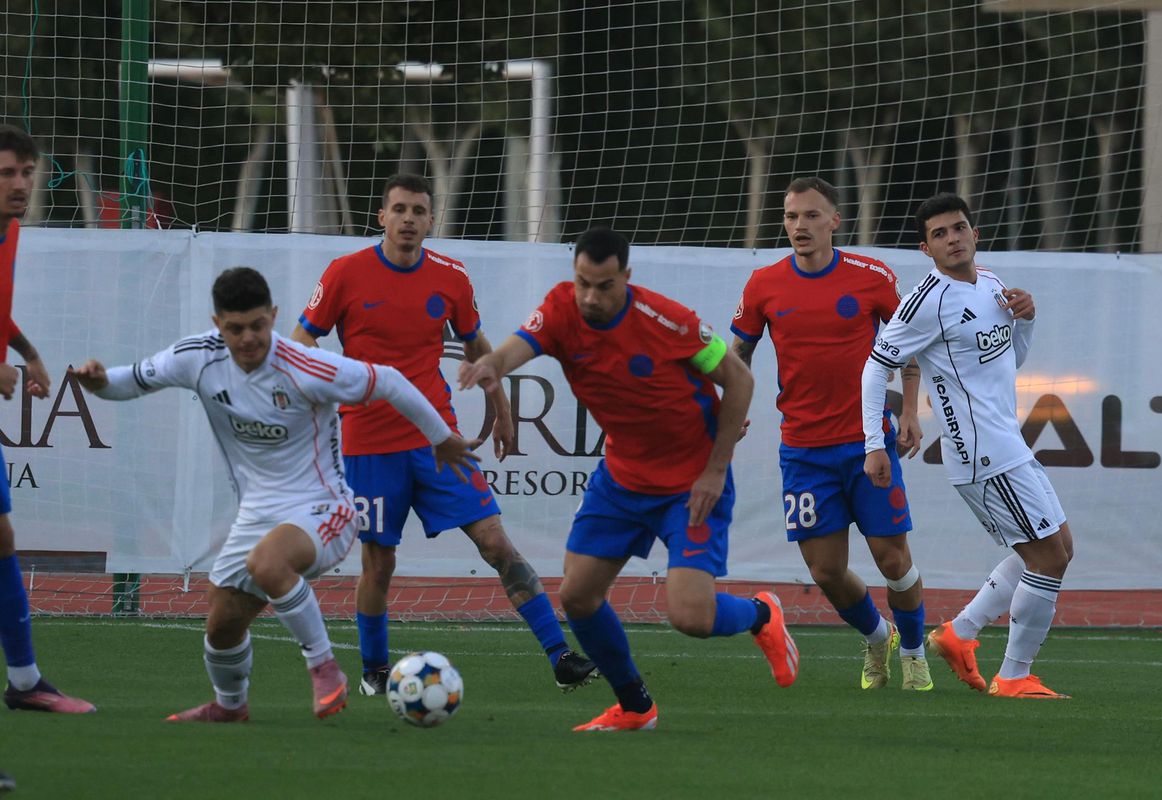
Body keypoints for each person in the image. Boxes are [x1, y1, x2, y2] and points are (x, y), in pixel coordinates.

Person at [73, 267, 480, 721]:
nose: (248, 339)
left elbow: (389, 382)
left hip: (326, 509)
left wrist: (440, 437)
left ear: (274, 316)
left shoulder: (305, 366)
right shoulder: (197, 358)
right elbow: (131, 379)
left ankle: (326, 669)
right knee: (222, 623)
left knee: (267, 563)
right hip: (256, 516)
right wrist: (98, 382)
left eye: (257, 326)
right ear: (217, 324)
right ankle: (231, 707)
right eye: (234, 329)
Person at [459, 227, 799, 732]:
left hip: (691, 483)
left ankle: (760, 616)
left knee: (690, 617)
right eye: (582, 284)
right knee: (577, 596)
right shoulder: (560, 309)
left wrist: (715, 469)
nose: (591, 297)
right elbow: (518, 347)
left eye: (604, 285)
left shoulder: (669, 322)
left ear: (627, 277)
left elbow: (739, 379)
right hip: (621, 479)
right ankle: (636, 706)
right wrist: (491, 364)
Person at [291, 173, 596, 696]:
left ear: (431, 220)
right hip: (369, 443)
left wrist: (500, 409)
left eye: (419, 211)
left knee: (496, 542)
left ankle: (561, 655)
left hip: (439, 439)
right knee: (379, 560)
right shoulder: (344, 273)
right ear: (381, 217)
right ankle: (374, 670)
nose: (409, 219)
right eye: (399, 209)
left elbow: (478, 346)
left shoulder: (450, 277)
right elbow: (301, 341)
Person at [862, 192, 1074, 699]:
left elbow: (1011, 359)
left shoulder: (994, 284)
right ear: (926, 248)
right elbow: (875, 366)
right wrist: (876, 440)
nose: (952, 238)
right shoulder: (925, 301)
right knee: (1048, 558)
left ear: (975, 234)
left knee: (1058, 549)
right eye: (940, 234)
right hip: (982, 453)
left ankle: (959, 635)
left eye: (958, 228)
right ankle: (1014, 676)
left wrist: (1027, 318)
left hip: (1009, 444)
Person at [730, 177, 931, 691]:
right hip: (802, 449)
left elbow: (907, 348)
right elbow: (738, 357)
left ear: (835, 222)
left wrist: (909, 410)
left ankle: (912, 652)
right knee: (825, 570)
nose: (801, 226)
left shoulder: (872, 276)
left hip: (869, 442)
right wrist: (727, 409)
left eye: (812, 216)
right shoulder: (763, 284)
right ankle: (877, 636)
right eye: (793, 216)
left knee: (892, 558)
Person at [0, 124, 95, 714]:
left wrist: (27, 352)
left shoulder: (9, 231)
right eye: (7, 172)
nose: (20, 184)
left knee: (3, 539)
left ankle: (26, 680)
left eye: (27, 172)